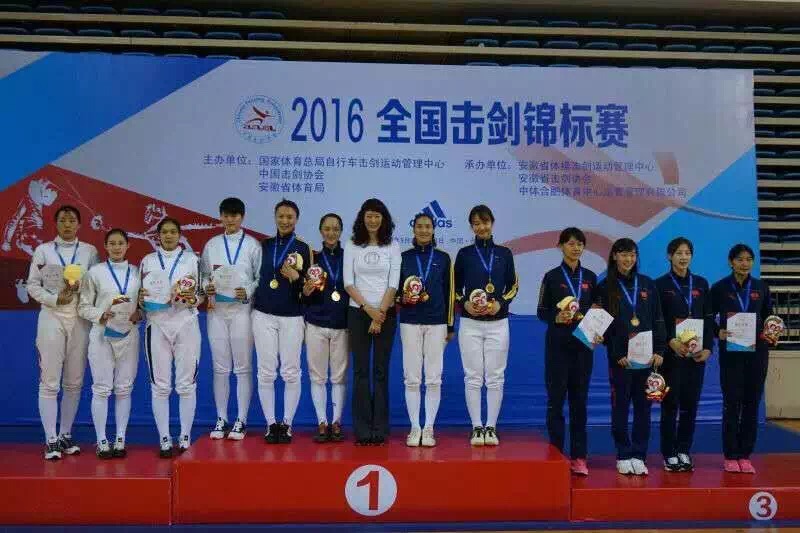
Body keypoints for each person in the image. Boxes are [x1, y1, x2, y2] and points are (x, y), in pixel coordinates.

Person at [27, 205, 99, 460]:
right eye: (62, 220)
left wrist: (81, 288)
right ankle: (50, 439)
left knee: (74, 381)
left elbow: (96, 285)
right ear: (56, 223)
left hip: (79, 319)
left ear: (79, 224)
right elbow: (32, 286)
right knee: (49, 381)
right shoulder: (43, 250)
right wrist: (54, 299)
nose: (67, 224)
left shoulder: (89, 251)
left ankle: (65, 434)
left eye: (71, 220)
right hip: (51, 317)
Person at [595, 238, 666, 476]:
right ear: (615, 256)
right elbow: (601, 326)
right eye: (624, 254)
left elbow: (658, 318)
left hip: (646, 358)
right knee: (621, 407)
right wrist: (616, 353)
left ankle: (639, 454)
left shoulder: (647, 284)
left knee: (644, 408)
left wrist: (660, 350)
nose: (628, 259)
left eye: (632, 255)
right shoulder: (604, 287)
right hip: (621, 360)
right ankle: (623, 453)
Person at [454, 204, 518, 447]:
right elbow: (454, 288)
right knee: (472, 377)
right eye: (476, 223)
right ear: (472, 227)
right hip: (470, 323)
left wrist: (500, 303)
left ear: (492, 223)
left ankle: (490, 426)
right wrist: (464, 304)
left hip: (498, 324)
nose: (481, 227)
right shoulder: (464, 254)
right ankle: (476, 427)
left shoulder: (504, 253)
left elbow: (513, 286)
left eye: (485, 222)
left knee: (495, 377)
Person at [138, 217, 202, 457]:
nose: (168, 236)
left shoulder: (192, 260)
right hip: (157, 324)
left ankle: (185, 436)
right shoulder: (147, 260)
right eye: (164, 232)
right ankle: (164, 438)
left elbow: (201, 292)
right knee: (160, 386)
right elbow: (140, 295)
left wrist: (193, 299)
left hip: (186, 322)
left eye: (173, 232)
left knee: (186, 385)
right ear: (158, 236)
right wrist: (141, 299)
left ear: (179, 234)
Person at [537, 227, 598, 475]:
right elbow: (541, 311)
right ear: (560, 246)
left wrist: (598, 330)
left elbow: (597, 311)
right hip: (558, 348)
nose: (576, 248)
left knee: (579, 403)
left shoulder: (591, 277)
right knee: (556, 402)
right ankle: (556, 454)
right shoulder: (551, 277)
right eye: (571, 243)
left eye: (579, 244)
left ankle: (579, 456)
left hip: (583, 349)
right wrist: (556, 317)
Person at [201, 197, 261, 441]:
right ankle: (221, 417)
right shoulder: (212, 245)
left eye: (234, 215)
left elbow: (259, 277)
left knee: (243, 366)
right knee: (220, 367)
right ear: (220, 217)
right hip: (216, 310)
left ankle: (241, 419)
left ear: (242, 217)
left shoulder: (253, 245)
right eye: (226, 215)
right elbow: (204, 275)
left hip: (242, 311)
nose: (230, 220)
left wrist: (248, 290)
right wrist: (206, 287)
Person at [712, 243, 775, 474]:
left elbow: (770, 318)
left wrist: (772, 332)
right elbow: (707, 316)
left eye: (749, 259)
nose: (744, 263)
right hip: (731, 355)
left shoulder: (761, 287)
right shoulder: (719, 288)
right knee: (732, 404)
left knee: (751, 403)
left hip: (758, 354)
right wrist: (717, 331)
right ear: (731, 262)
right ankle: (730, 455)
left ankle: (745, 455)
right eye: (740, 259)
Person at [251, 199, 311, 444]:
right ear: (275, 217)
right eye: (281, 216)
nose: (285, 221)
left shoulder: (304, 248)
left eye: (290, 217)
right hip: (263, 314)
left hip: (292, 316)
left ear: (296, 219)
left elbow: (311, 287)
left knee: (291, 372)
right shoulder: (263, 246)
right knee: (265, 372)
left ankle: (286, 423)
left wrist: (297, 277)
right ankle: (270, 423)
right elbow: (253, 277)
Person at [79, 229, 141, 459]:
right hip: (102, 334)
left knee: (124, 388)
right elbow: (83, 306)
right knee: (102, 388)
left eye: (120, 243)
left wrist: (141, 313)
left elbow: (143, 302)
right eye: (112, 243)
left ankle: (120, 438)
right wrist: (100, 314)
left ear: (128, 245)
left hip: (129, 333)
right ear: (105, 246)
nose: (116, 247)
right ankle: (102, 440)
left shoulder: (137, 272)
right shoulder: (95, 272)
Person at [344, 198, 401, 446]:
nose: (373, 220)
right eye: (369, 216)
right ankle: (362, 429)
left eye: (377, 216)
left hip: (386, 313)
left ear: (383, 219)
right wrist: (369, 311)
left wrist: (380, 314)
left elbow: (393, 283)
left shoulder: (393, 246)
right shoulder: (352, 244)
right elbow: (348, 283)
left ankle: (380, 428)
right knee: (360, 371)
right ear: (362, 218)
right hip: (358, 313)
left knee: (380, 371)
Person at [655, 237, 713, 472]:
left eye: (687, 253)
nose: (683, 257)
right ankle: (669, 453)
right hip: (672, 356)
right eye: (679, 253)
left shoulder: (701, 283)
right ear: (669, 256)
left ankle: (683, 450)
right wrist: (670, 341)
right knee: (670, 405)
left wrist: (708, 347)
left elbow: (708, 318)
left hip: (696, 356)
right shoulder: (659, 285)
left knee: (690, 405)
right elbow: (657, 319)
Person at [397, 213, 455, 447]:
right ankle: (414, 427)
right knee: (411, 378)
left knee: (433, 379)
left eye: (427, 226)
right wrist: (402, 299)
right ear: (414, 229)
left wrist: (450, 325)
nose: (423, 230)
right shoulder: (403, 258)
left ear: (433, 229)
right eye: (419, 226)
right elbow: (396, 291)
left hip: (436, 323)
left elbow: (450, 293)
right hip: (409, 322)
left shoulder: (443, 258)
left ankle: (429, 427)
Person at [303, 213, 349, 443]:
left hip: (342, 324)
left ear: (341, 231)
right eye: (327, 229)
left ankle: (336, 422)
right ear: (321, 231)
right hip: (315, 323)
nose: (331, 233)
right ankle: (322, 421)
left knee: (339, 377)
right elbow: (302, 292)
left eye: (336, 229)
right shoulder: (312, 258)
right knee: (317, 376)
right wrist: (305, 290)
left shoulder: (349, 257)